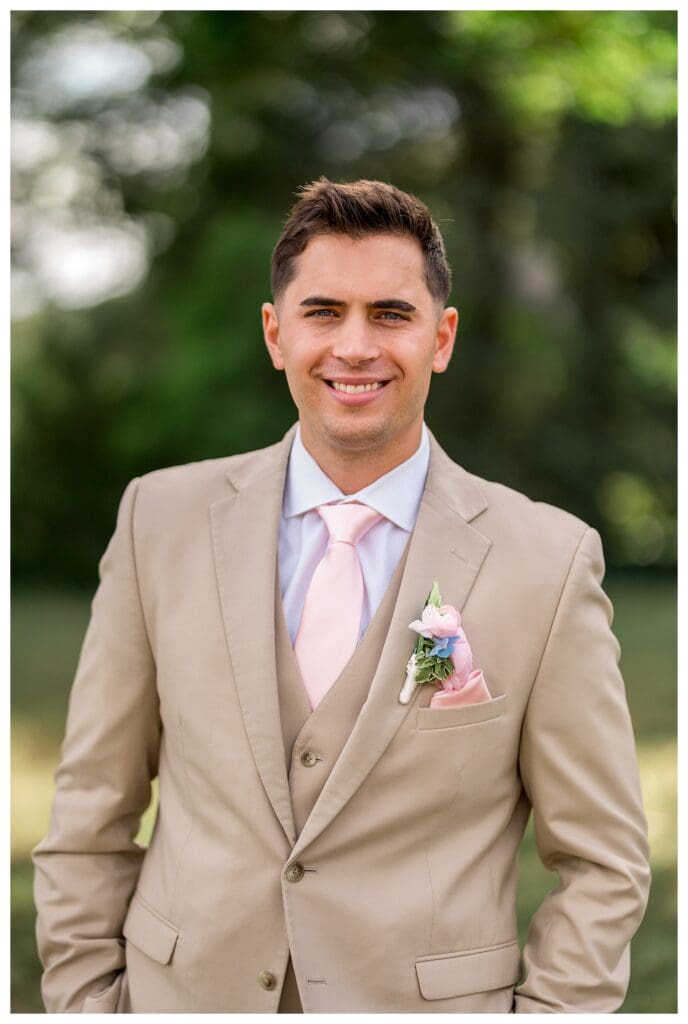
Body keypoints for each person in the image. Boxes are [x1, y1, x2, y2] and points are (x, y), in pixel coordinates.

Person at [32, 178, 650, 1013]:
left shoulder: (548, 560)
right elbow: (89, 818)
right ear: (275, 333)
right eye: (323, 312)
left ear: (441, 338)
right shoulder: (158, 521)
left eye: (391, 315)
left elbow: (604, 862)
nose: (355, 347)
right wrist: (85, 1004)